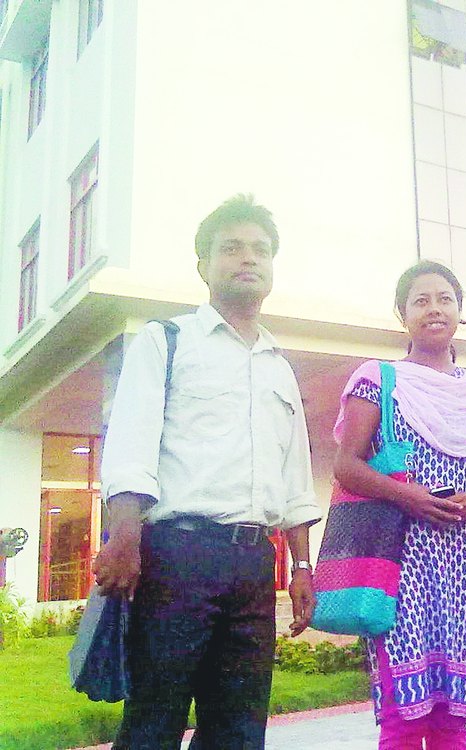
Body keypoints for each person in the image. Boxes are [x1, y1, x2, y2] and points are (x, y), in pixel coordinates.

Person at [94, 194, 323, 749]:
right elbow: (131, 446)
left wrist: (301, 566)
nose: (249, 258)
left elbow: (294, 479)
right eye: (232, 248)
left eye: (261, 250)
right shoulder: (166, 341)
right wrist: (124, 539)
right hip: (176, 556)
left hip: (253, 562)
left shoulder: (279, 367)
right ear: (204, 266)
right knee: (154, 720)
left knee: (239, 729)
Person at [333, 260, 466, 750]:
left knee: (453, 720)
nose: (434, 309)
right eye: (421, 300)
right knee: (402, 719)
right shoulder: (379, 380)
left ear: (461, 310)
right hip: (401, 566)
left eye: (445, 299)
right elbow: (346, 465)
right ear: (402, 314)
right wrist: (408, 496)